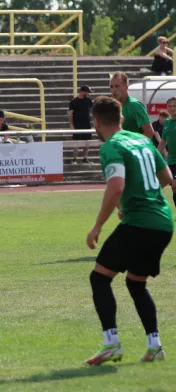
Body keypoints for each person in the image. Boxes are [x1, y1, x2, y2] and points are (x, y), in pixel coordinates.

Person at [85, 96, 173, 366]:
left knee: (99, 278)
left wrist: (98, 224)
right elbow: (167, 178)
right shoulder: (143, 141)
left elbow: (116, 185)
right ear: (121, 118)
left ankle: (111, 344)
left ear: (96, 122)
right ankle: (154, 345)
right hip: (163, 222)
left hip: (141, 223)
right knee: (135, 283)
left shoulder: (111, 146)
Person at [110, 72, 154, 139]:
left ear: (126, 87)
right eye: (111, 87)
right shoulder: (113, 107)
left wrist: (133, 147)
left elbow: (149, 132)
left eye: (117, 86)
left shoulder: (134, 105)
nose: (114, 90)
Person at [157, 97, 176, 208]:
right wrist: (156, 156)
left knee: (174, 185)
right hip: (171, 160)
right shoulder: (167, 123)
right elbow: (163, 141)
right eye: (170, 106)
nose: (173, 108)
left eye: (175, 106)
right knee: (173, 189)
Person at [69, 85, 94, 164]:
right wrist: (71, 125)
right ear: (82, 92)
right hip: (77, 125)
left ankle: (85, 158)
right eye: (87, 92)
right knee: (76, 142)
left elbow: (92, 110)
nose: (88, 94)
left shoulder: (88, 100)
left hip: (87, 124)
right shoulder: (73, 102)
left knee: (87, 142)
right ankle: (74, 158)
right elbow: (70, 114)